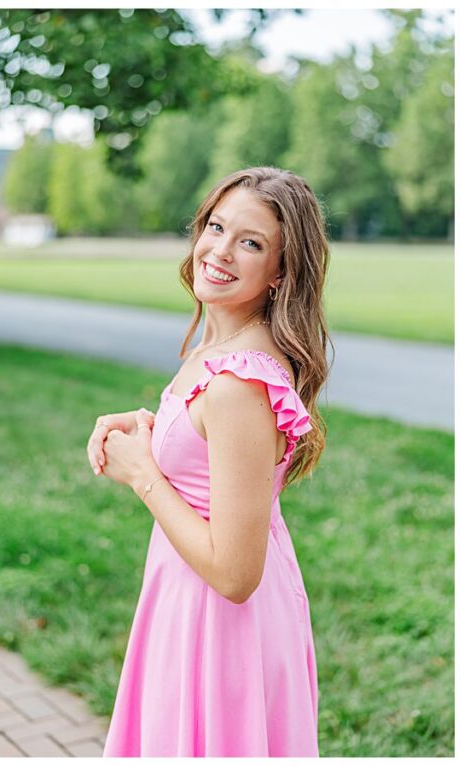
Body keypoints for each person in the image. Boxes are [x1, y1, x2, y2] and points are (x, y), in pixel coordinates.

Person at [87, 167, 329, 755]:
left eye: (251, 242)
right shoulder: (215, 351)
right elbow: (206, 450)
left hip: (219, 627)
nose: (219, 251)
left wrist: (144, 474)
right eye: (216, 227)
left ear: (280, 272)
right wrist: (150, 427)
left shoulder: (240, 384)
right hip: (181, 600)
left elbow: (234, 575)